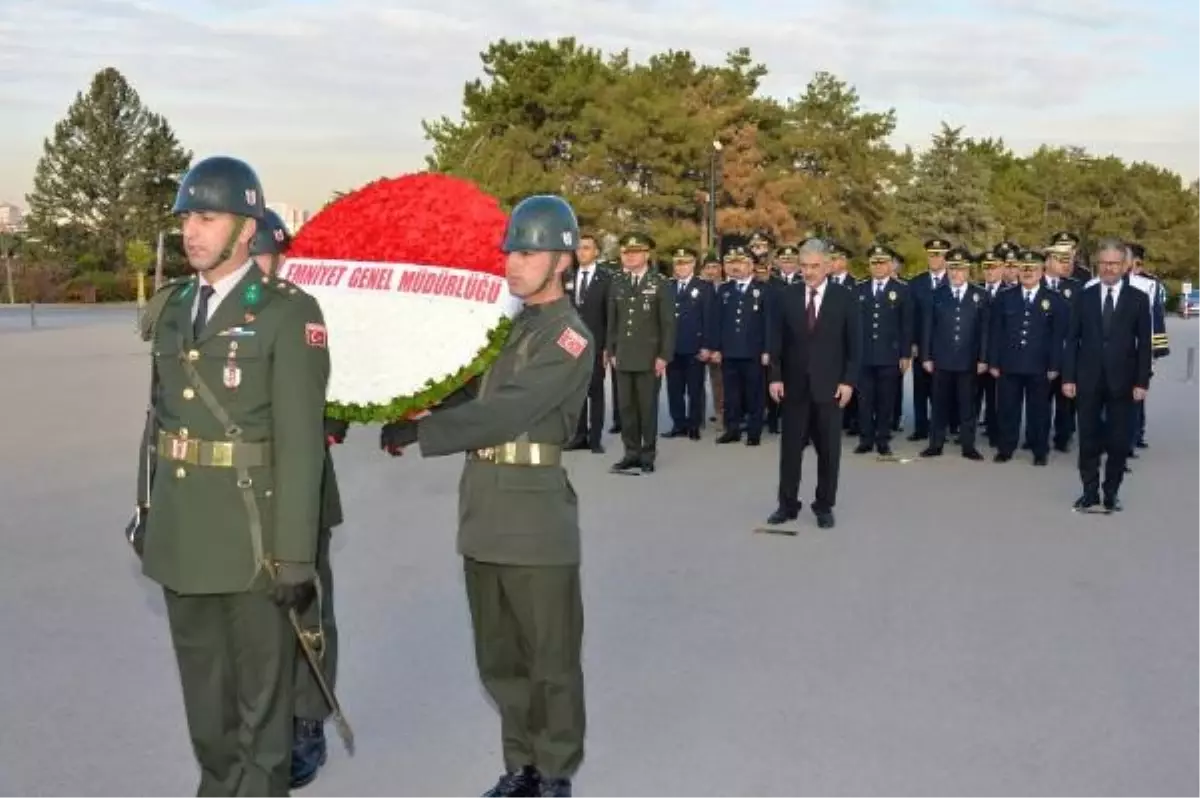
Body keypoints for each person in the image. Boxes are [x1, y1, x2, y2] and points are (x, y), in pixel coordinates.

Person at [378, 194, 593, 798]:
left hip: (535, 515)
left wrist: (425, 433)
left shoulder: (570, 337)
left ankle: (554, 773)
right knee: (500, 659)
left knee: (549, 658)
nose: (513, 263)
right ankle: (520, 764)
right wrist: (408, 405)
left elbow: (508, 411)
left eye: (528, 252)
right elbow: (468, 390)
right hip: (485, 508)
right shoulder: (508, 329)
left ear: (562, 260)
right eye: (511, 252)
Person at [135, 156, 329, 797]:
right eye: (188, 216)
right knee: (209, 718)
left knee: (261, 724)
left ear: (246, 228)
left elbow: (303, 444)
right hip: (183, 538)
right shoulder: (171, 309)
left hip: (255, 544)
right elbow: (157, 424)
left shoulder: (286, 311)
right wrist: (147, 508)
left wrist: (297, 554)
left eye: (207, 216)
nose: (192, 229)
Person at [248, 207, 345, 789]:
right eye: (262, 253)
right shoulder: (212, 314)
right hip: (235, 495)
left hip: (300, 490)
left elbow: (327, 385)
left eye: (273, 255)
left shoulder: (301, 310)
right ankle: (259, 717)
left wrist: (333, 418)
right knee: (248, 614)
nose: (268, 265)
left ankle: (307, 719)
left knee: (307, 611)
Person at [765, 239, 860, 528]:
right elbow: (775, 340)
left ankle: (824, 505)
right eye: (804, 266)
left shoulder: (846, 297)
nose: (809, 272)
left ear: (829, 266)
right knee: (790, 451)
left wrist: (848, 382)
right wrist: (775, 376)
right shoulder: (787, 296)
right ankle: (787, 504)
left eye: (815, 266)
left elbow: (855, 345)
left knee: (829, 452)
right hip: (793, 387)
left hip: (830, 387)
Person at [1062, 238, 1151, 512]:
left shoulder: (1139, 299)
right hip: (1088, 379)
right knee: (1088, 440)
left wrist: (1141, 381)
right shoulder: (1083, 296)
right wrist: (1068, 377)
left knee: (1118, 441)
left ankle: (1111, 492)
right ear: (1097, 265)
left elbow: (1144, 344)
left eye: (1114, 263)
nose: (1109, 268)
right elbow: (1071, 339)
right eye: (1104, 263)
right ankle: (1089, 492)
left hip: (1123, 382)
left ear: (1125, 266)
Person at [987, 250, 1067, 465]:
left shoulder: (1054, 299)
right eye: (1024, 269)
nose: (1027, 272)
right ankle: (1006, 448)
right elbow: (996, 331)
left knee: (1039, 412)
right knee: (1006, 409)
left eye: (1032, 269)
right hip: (1009, 364)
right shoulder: (1005, 297)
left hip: (1040, 366)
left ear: (1041, 272)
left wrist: (1054, 365)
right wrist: (993, 361)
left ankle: (1040, 451)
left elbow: (1058, 337)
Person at [605, 233, 675, 473]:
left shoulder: (660, 283)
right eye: (625, 252)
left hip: (648, 356)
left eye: (634, 252)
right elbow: (612, 321)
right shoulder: (618, 282)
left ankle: (648, 454)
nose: (629, 256)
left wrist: (664, 356)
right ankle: (630, 452)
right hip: (623, 355)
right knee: (625, 407)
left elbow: (667, 323)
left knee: (647, 407)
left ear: (646, 254)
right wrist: (610, 350)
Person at [918, 247, 989, 460]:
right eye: (953, 270)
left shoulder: (980, 295)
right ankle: (935, 444)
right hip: (942, 359)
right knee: (939, 405)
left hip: (968, 360)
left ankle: (968, 446)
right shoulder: (936, 295)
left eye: (961, 270)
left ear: (968, 271)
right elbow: (927, 328)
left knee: (967, 406)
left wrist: (983, 358)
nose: (957, 274)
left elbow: (984, 331)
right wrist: (926, 356)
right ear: (948, 270)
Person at [855, 245, 912, 457]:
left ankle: (882, 439)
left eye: (882, 262)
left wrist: (905, 354)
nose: (878, 267)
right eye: (874, 263)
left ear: (890, 265)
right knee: (864, 400)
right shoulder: (859, 289)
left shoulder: (902, 289)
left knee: (886, 400)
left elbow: (907, 325)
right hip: (864, 355)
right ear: (869, 265)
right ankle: (865, 439)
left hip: (890, 354)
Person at [712, 245, 771, 446]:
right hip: (729, 351)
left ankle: (754, 431)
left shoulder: (762, 290)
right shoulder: (725, 290)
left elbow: (768, 323)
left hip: (753, 351)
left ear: (751, 265)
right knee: (731, 394)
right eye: (732, 263)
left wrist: (767, 349)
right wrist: (717, 348)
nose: (736, 267)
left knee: (754, 393)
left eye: (741, 263)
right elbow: (717, 321)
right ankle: (733, 429)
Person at [564, 234, 611, 454]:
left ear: (596, 252)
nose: (581, 252)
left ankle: (595, 438)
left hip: (597, 344)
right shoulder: (567, 277)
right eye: (579, 248)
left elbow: (611, 315)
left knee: (596, 391)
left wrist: (608, 347)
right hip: (572, 344)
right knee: (576, 391)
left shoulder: (606, 278)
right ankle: (579, 435)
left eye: (586, 248)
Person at [663, 247, 714, 440]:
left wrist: (707, 345)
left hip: (695, 346)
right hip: (672, 346)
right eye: (678, 263)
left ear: (693, 264)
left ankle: (694, 425)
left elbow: (709, 318)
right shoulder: (667, 286)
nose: (681, 267)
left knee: (695, 389)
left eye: (685, 263)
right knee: (674, 389)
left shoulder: (704, 287)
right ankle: (678, 424)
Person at [907, 238, 952, 441]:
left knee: (942, 390)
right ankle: (920, 428)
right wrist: (912, 343)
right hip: (921, 345)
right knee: (920, 389)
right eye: (932, 254)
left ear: (946, 257)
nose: (935, 258)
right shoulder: (916, 283)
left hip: (945, 346)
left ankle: (941, 427)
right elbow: (911, 316)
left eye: (939, 254)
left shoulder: (954, 281)